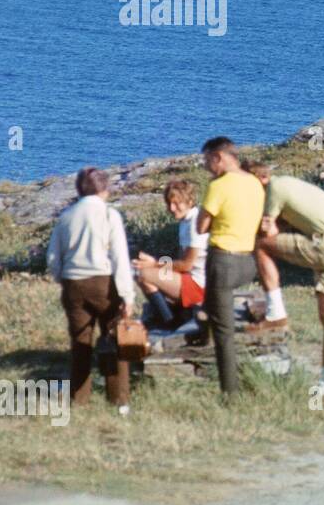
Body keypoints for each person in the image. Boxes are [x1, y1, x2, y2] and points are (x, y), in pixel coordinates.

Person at [242, 161, 324, 399]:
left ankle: (275, 313)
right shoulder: (291, 185)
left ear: (256, 181)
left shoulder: (275, 188)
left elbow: (268, 233)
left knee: (260, 245)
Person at [46, 167, 135, 405]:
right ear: (104, 189)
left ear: (79, 189)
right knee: (114, 339)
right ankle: (118, 399)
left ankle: (79, 398)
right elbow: (120, 257)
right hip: (103, 283)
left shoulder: (66, 216)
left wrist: (62, 278)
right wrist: (128, 295)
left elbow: (53, 258)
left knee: (80, 341)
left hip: (73, 282)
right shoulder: (109, 215)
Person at [195, 137, 265, 396]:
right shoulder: (255, 183)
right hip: (248, 261)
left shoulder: (219, 186)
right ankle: (201, 326)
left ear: (219, 158)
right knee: (208, 311)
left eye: (207, 162)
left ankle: (230, 393)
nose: (206, 168)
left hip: (223, 261)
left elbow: (200, 227)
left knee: (224, 332)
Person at [133, 179, 208, 333]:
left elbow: (186, 264)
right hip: (190, 278)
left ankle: (169, 322)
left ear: (189, 201)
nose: (172, 208)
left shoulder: (195, 224)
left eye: (177, 203)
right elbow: (181, 260)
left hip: (199, 285)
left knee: (144, 274)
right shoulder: (186, 221)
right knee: (144, 273)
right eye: (169, 204)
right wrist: (158, 264)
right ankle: (169, 315)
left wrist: (154, 264)